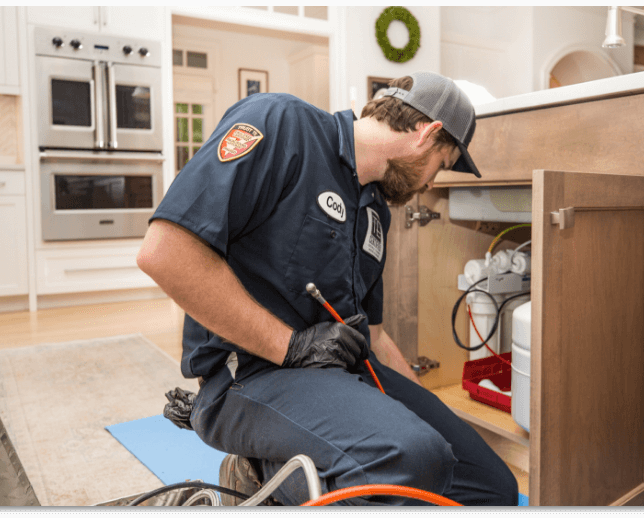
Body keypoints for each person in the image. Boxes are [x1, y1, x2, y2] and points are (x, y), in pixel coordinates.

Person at [137, 72, 518, 506]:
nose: (430, 184)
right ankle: (266, 479)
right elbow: (165, 253)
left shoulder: (376, 212)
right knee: (409, 457)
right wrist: (291, 346)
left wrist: (426, 414)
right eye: (442, 165)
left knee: (491, 486)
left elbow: (373, 336)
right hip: (251, 374)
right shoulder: (281, 124)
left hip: (342, 374)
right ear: (427, 133)